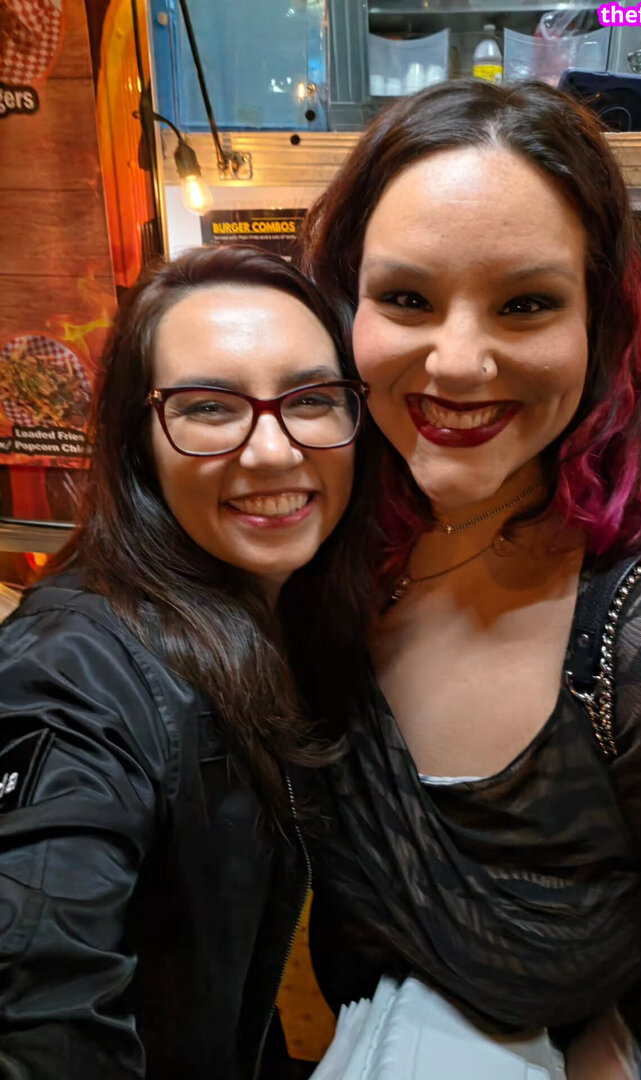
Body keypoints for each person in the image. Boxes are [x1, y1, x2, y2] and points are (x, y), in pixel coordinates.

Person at [294, 80, 641, 1080]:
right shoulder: (332, 546)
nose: (457, 363)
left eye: (526, 304)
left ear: (601, 323)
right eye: (407, 299)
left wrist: (623, 1065)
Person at [0, 245, 367, 1080]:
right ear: (140, 442)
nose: (272, 451)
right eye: (209, 407)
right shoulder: (68, 669)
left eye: (311, 399)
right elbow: (35, 997)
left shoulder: (288, 617)